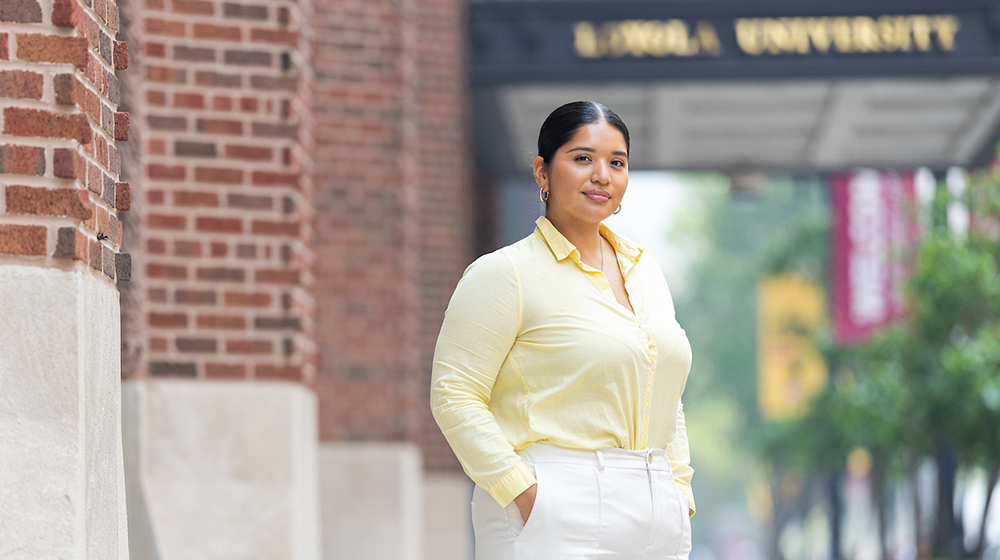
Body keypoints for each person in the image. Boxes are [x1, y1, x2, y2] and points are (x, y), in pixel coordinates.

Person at [430, 101, 694, 559]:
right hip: (555, 505)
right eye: (582, 158)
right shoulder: (505, 273)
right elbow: (453, 393)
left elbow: (664, 392)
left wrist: (680, 488)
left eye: (617, 162)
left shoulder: (645, 271)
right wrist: (525, 494)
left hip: (655, 512)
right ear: (542, 172)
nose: (602, 175)